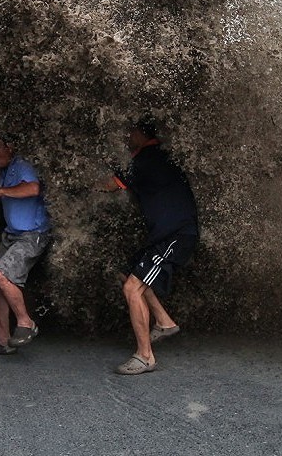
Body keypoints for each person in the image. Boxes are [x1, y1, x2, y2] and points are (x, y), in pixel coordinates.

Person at [99, 118, 200, 375]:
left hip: (176, 236)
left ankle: (145, 357)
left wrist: (84, 183)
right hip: (166, 235)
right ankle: (164, 322)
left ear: (140, 134)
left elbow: (111, 185)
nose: (127, 137)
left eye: (130, 132)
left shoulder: (147, 159)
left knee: (132, 288)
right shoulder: (159, 157)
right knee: (128, 271)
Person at [0, 135, 51, 356]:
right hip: (11, 235)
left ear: (10, 147)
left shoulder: (22, 165)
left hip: (32, 235)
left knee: (2, 274)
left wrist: (0, 191)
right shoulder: (6, 170)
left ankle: (26, 323)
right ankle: (3, 341)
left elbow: (33, 189)